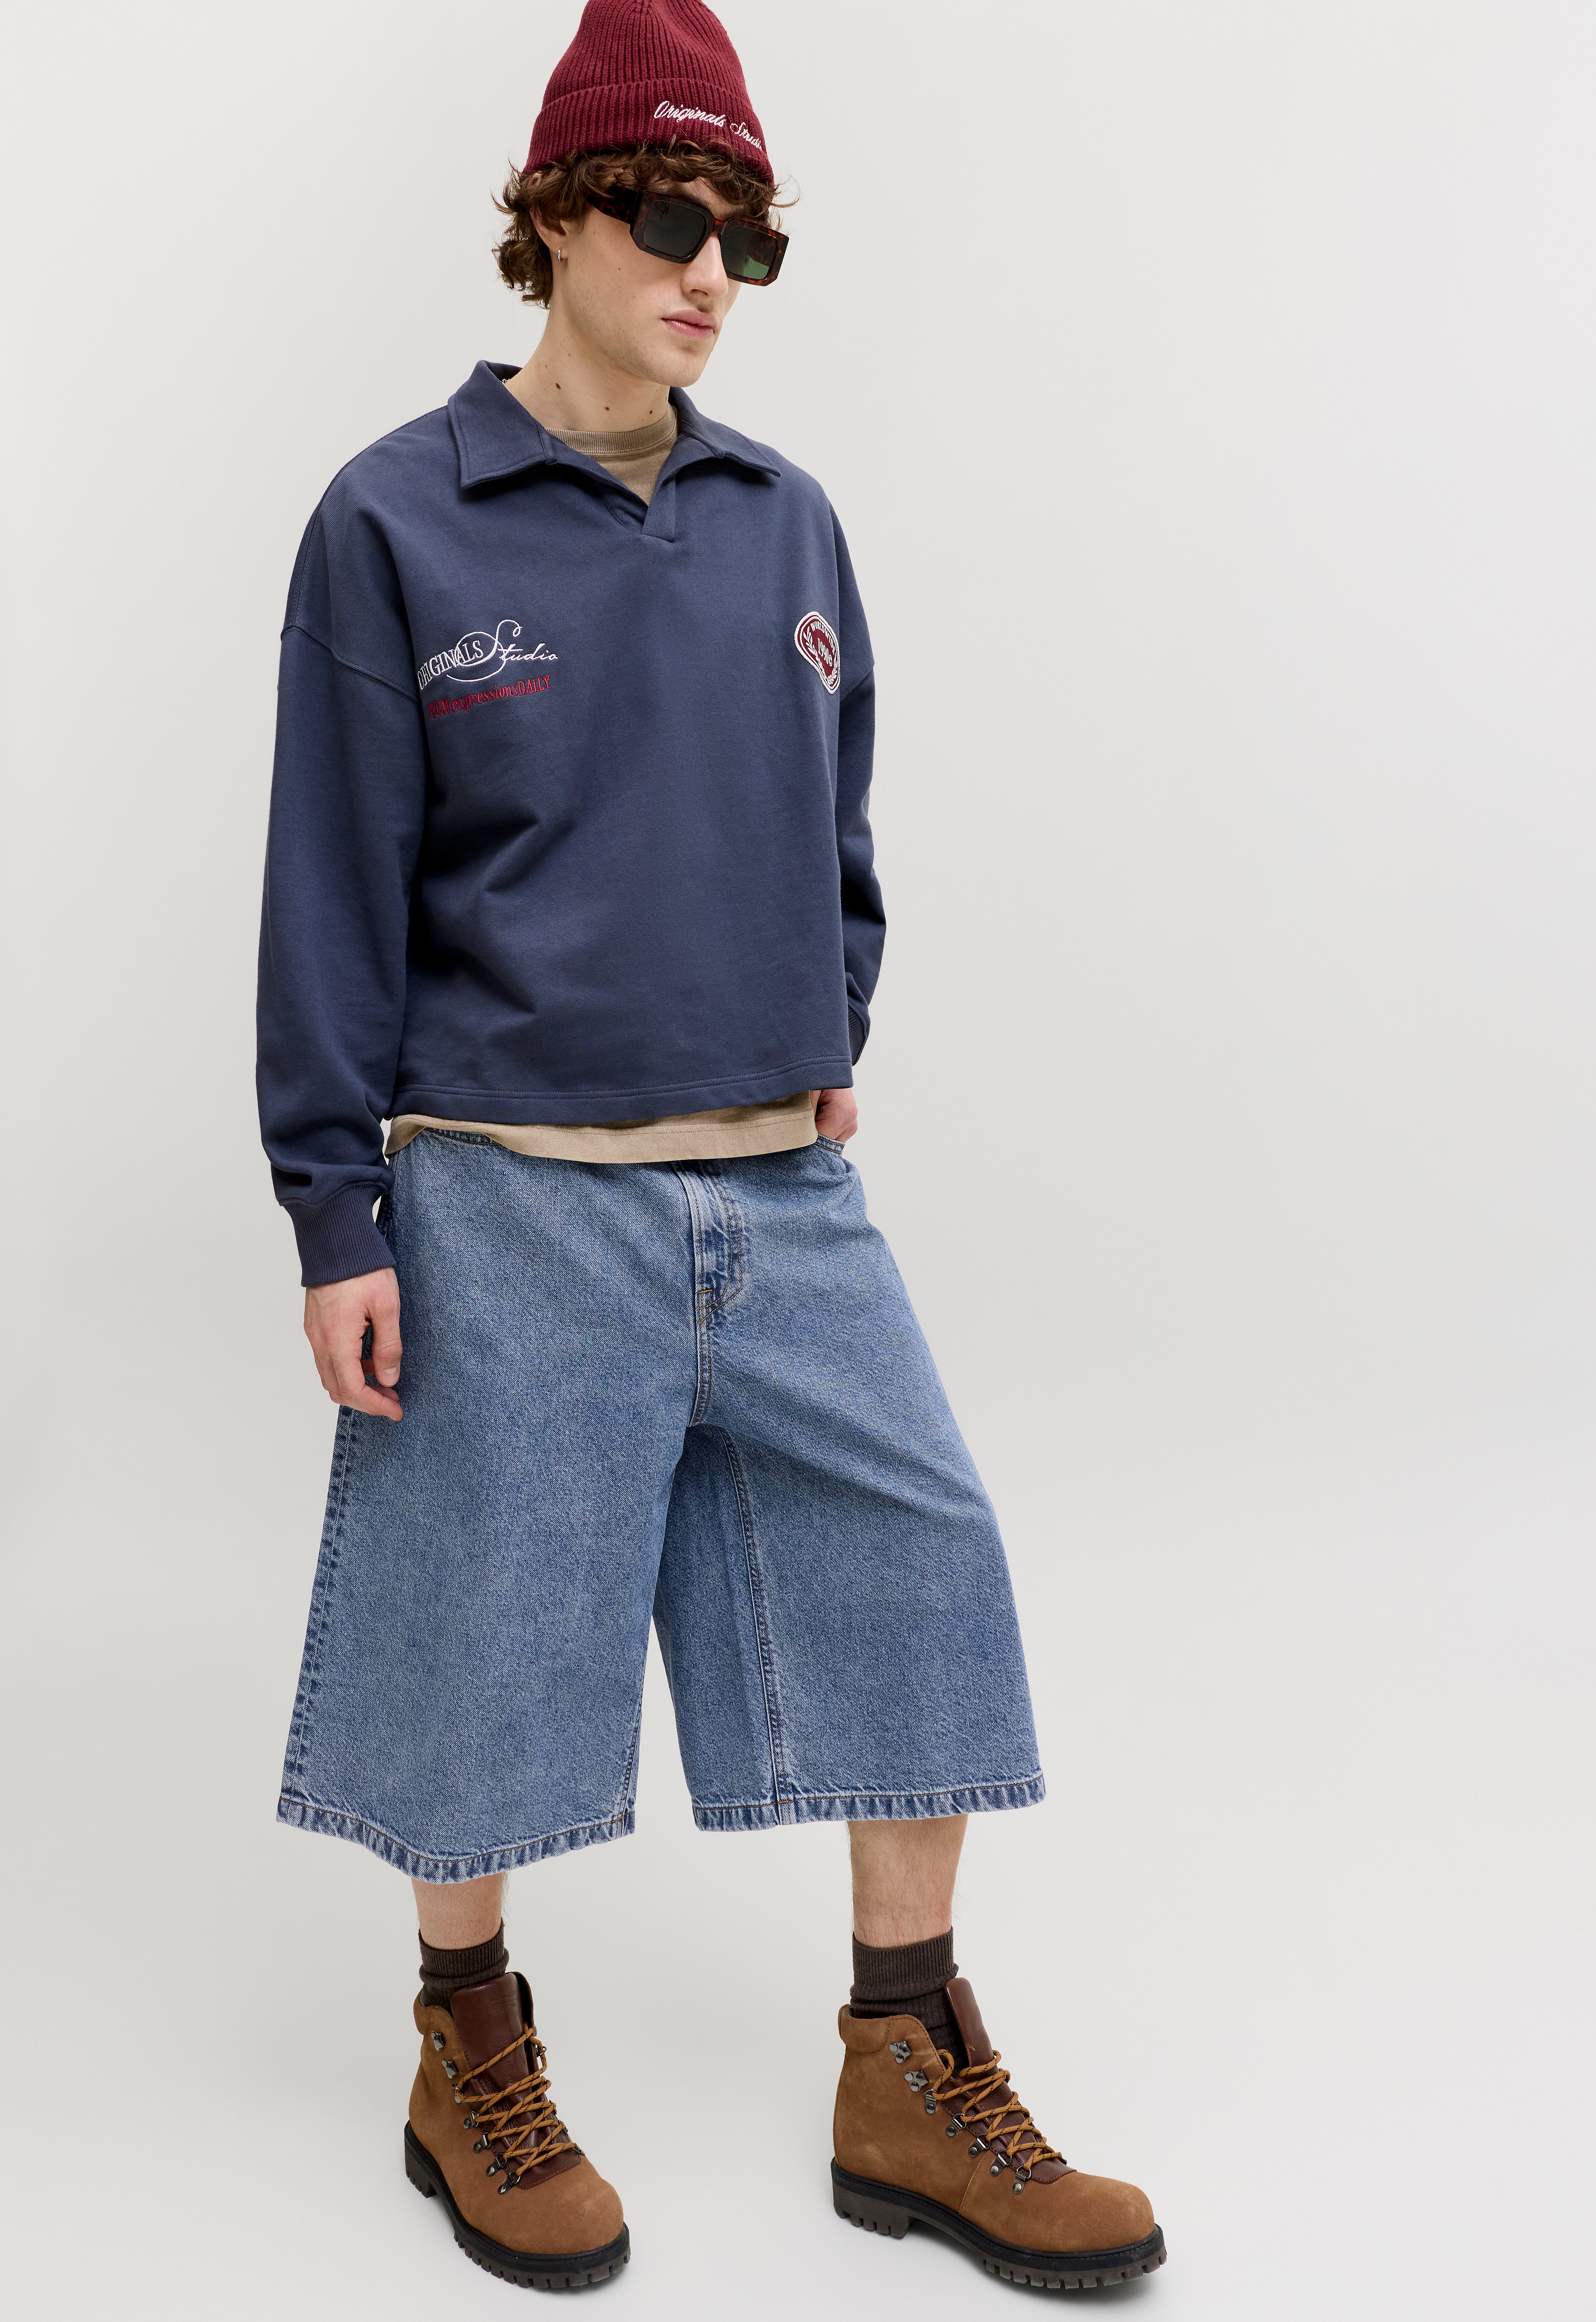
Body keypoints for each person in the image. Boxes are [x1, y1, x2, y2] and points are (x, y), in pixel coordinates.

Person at [257, 0, 1163, 2293]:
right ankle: (467, 2045)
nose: (708, 271)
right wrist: (337, 1210)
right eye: (670, 218)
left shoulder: (786, 516)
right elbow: (332, 886)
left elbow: (836, 819)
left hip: (780, 1187)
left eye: (746, 237)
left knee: (925, 1566)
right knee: (488, 1631)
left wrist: (822, 1016)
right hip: (503, 1186)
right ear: (555, 218)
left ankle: (905, 2060)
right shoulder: (394, 518)